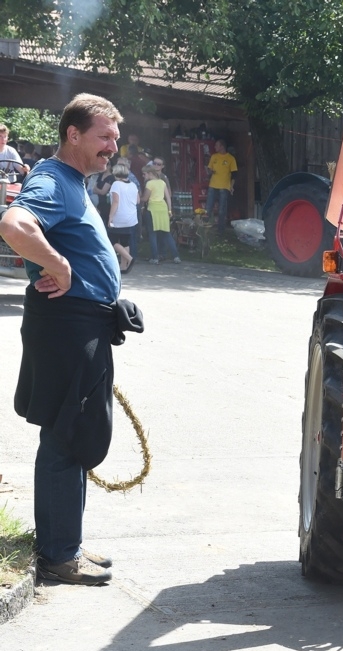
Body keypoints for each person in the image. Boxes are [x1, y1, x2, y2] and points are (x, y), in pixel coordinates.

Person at [0, 92, 144, 585]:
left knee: (77, 432)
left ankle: (68, 543)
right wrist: (59, 264)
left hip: (82, 323)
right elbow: (14, 224)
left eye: (115, 139)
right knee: (65, 436)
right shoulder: (53, 179)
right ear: (73, 134)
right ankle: (59, 555)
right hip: (65, 329)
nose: (112, 147)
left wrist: (108, 292)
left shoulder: (75, 182)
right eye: (104, 137)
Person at [141, 163, 180, 264]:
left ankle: (155, 258)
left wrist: (137, 197)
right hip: (163, 208)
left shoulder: (149, 184)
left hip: (153, 208)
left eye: (144, 174)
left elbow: (145, 198)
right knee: (167, 233)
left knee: (152, 234)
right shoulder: (162, 182)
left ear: (150, 173)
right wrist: (170, 210)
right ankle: (176, 256)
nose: (143, 176)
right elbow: (168, 197)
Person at [107, 160, 139, 272]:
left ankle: (130, 258)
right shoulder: (133, 185)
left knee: (112, 240)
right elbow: (138, 200)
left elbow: (115, 201)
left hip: (119, 216)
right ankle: (123, 266)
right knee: (125, 241)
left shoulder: (116, 184)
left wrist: (110, 217)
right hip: (131, 218)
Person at [205, 138, 237, 231]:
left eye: (216, 145)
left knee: (221, 210)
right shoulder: (214, 156)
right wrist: (210, 171)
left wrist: (232, 186)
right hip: (212, 185)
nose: (215, 147)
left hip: (224, 187)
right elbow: (209, 169)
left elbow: (234, 174)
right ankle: (205, 228)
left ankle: (220, 230)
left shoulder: (230, 158)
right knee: (208, 207)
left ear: (222, 146)